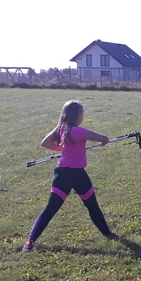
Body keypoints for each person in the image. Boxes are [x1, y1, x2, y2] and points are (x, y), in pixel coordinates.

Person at [23, 100, 118, 251]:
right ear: (76, 115)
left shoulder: (60, 128)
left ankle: (30, 242)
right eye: (82, 114)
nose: (82, 117)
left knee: (51, 209)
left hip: (63, 173)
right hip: (76, 174)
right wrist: (103, 142)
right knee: (92, 206)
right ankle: (108, 233)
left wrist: (64, 150)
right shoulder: (78, 131)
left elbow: (45, 143)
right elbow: (104, 138)